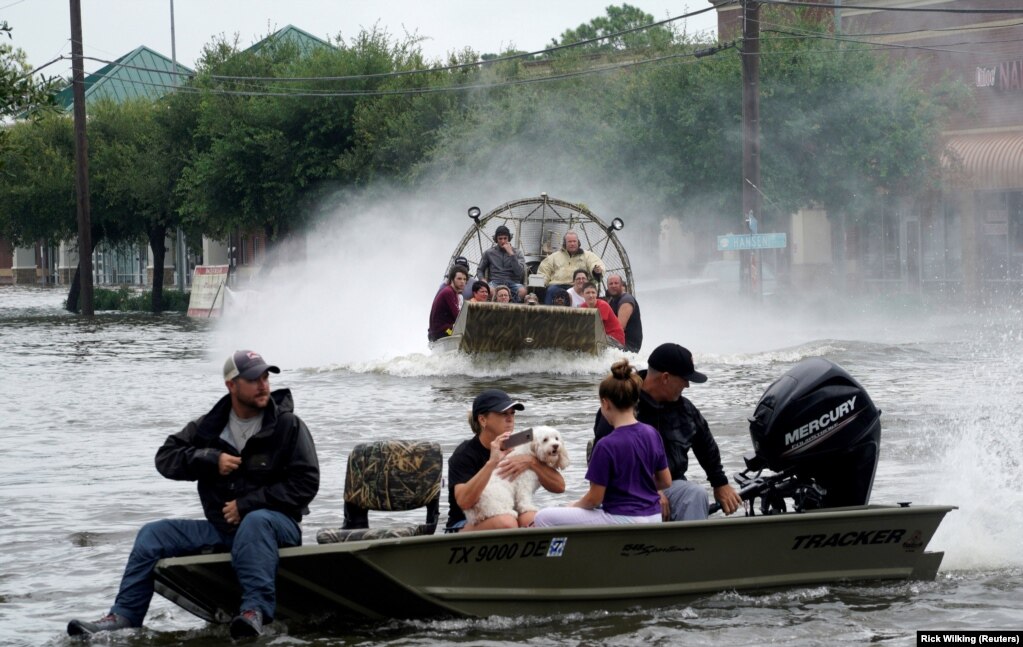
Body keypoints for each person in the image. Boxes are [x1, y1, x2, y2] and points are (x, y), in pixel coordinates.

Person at [67, 351, 319, 639]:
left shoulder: (288, 425)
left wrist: (248, 504)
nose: (263, 385)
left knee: (256, 521)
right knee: (153, 534)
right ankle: (123, 616)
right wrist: (210, 459)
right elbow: (165, 458)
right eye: (253, 379)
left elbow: (306, 483)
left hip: (277, 528)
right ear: (231, 385)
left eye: (265, 377)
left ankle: (254, 612)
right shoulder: (208, 427)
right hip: (223, 531)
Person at [593, 343, 741, 521]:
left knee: (696, 494)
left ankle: (691, 547)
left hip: (671, 484)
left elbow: (706, 446)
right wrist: (651, 491)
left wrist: (720, 483)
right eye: (684, 379)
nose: (687, 385)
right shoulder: (622, 403)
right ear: (665, 377)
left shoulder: (685, 409)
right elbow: (604, 461)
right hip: (625, 491)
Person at [534, 359, 670, 527]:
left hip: (622, 519)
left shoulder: (606, 445)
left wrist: (574, 505)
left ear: (605, 404)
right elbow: (665, 481)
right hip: (653, 516)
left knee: (543, 517)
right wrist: (636, 486)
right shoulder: (652, 434)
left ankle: (563, 554)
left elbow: (594, 499)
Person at [446, 389, 566, 532]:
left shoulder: (521, 441)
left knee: (536, 520)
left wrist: (531, 461)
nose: (510, 419)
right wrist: (491, 463)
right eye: (503, 414)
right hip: (463, 522)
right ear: (483, 420)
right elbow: (464, 502)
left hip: (511, 511)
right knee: (507, 523)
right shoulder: (464, 453)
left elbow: (560, 487)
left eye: (512, 413)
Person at [537, 231, 605, 302]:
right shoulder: (554, 257)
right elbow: (544, 270)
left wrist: (596, 270)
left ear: (578, 242)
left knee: (583, 292)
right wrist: (541, 284)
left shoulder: (588, 256)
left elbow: (596, 264)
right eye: (569, 242)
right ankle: (547, 312)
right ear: (565, 243)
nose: (572, 244)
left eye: (574, 241)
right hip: (557, 285)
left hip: (578, 286)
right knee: (550, 290)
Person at [477, 225, 527, 301]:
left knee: (523, 291)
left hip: (513, 282)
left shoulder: (517, 252)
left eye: (505, 238)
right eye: (500, 239)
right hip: (495, 282)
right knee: (489, 290)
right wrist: (482, 279)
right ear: (496, 239)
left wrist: (511, 254)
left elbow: (519, 272)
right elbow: (480, 270)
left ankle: (512, 307)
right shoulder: (489, 253)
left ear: (509, 238)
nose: (503, 241)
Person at [429, 264, 468, 341]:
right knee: (466, 336)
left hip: (442, 330)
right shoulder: (448, 292)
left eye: (464, 279)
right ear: (452, 279)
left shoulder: (453, 292)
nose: (462, 282)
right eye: (459, 279)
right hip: (441, 332)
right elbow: (458, 317)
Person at [605, 274, 643, 352]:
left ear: (621, 285)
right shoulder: (612, 301)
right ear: (607, 287)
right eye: (611, 284)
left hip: (629, 346)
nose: (613, 285)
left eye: (616, 283)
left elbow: (620, 327)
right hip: (618, 342)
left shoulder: (626, 301)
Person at [580, 282, 625, 346]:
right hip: (601, 336)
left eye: (593, 292)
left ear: (596, 294)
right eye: (588, 293)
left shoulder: (603, 305)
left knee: (588, 339)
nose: (591, 295)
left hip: (615, 338)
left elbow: (596, 326)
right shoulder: (582, 307)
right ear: (582, 294)